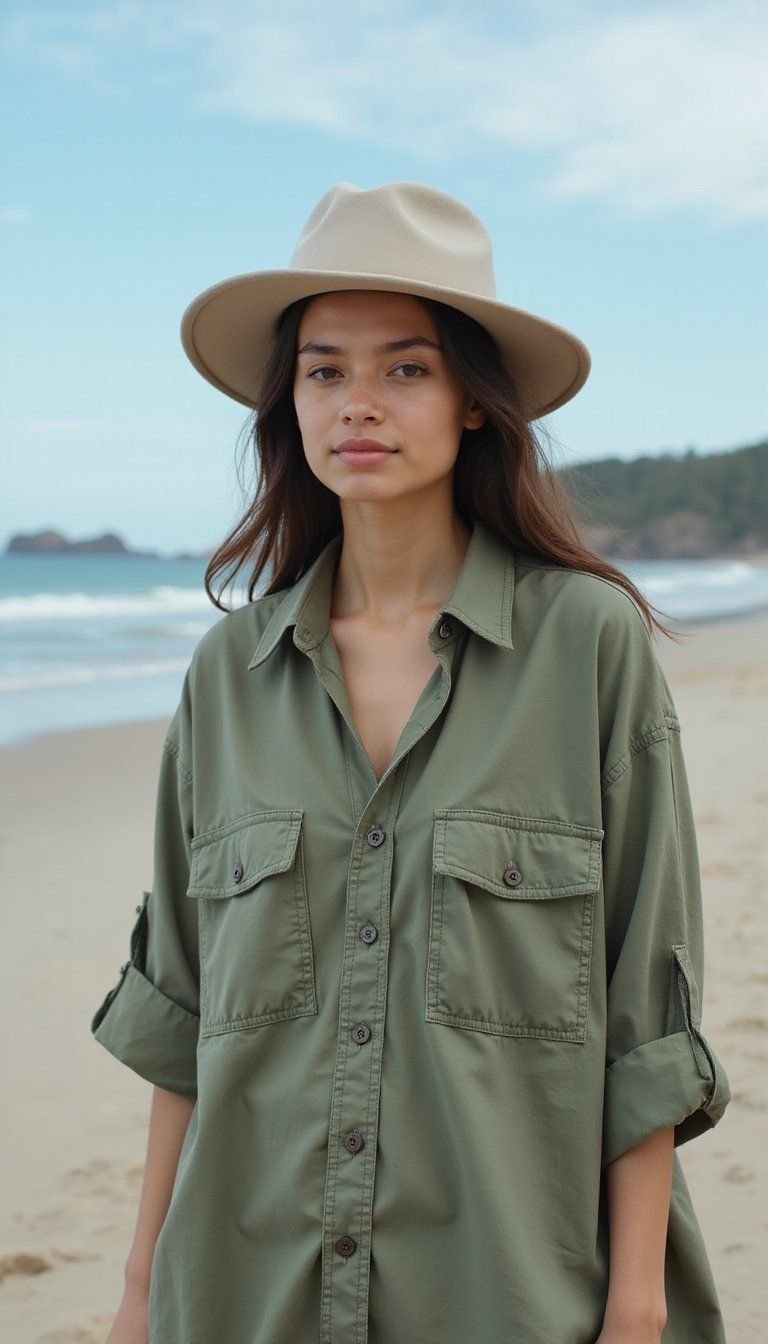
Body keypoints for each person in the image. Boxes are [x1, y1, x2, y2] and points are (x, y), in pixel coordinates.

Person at [92, 181, 731, 1344]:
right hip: (245, 1295)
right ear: (289, 403)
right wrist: (141, 1292)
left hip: (517, 1292)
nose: (359, 405)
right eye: (325, 370)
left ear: (474, 402)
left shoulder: (584, 645)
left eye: (407, 368)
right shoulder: (226, 677)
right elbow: (181, 1020)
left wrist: (636, 1309)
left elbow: (648, 1015)